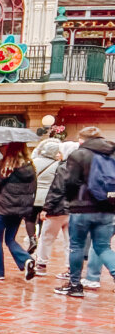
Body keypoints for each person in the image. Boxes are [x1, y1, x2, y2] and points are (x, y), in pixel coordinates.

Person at [54, 126, 115, 297]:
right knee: (103, 246)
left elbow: (71, 182)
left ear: (82, 139)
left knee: (77, 247)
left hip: (82, 207)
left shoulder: (79, 154)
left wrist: (70, 200)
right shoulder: (112, 153)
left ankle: (75, 285)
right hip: (108, 207)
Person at [0, 141, 37, 281]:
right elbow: (33, 190)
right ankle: (26, 260)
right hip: (19, 210)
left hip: (2, 208)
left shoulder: (5, 166)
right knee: (10, 239)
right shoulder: (30, 167)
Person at [35, 140, 78, 275]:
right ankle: (71, 269)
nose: (58, 154)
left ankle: (41, 265)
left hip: (58, 209)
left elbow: (57, 189)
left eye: (61, 151)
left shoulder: (63, 167)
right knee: (70, 241)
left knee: (46, 236)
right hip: (74, 209)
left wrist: (46, 208)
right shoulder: (82, 167)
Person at [26, 140, 63, 253]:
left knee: (30, 219)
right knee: (43, 220)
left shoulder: (34, 161)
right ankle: (41, 238)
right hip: (47, 197)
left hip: (33, 195)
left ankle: (32, 239)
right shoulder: (57, 165)